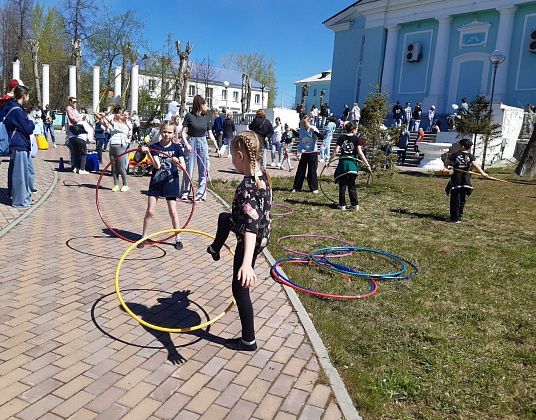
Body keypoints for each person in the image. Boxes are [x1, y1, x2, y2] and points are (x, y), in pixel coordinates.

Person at [206, 130, 272, 351]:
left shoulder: (246, 189)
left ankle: (248, 341)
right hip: (260, 232)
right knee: (224, 218)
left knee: (239, 289)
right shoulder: (262, 176)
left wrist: (246, 264)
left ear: (240, 156)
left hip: (250, 239)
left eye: (233, 156)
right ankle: (215, 248)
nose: (232, 161)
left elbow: (251, 228)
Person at [140, 121, 186, 250]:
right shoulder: (155, 147)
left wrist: (176, 162)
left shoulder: (177, 148)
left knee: (172, 211)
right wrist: (148, 153)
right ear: (160, 131)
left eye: (169, 132)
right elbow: (157, 166)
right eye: (164, 131)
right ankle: (144, 236)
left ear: (174, 133)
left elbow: (183, 167)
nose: (166, 134)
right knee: (150, 211)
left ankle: (178, 238)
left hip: (171, 182)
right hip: (156, 182)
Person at [1, 85, 35, 207]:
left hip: (19, 144)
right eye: (28, 95)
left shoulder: (13, 108)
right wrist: (31, 122)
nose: (28, 97)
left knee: (21, 172)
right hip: (19, 144)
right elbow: (28, 128)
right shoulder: (17, 111)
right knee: (20, 174)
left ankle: (22, 196)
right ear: (24, 96)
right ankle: (20, 201)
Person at [327, 121, 371, 211]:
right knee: (352, 185)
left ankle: (342, 205)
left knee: (342, 185)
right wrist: (367, 164)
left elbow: (336, 151)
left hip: (343, 165)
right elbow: (360, 152)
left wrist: (329, 161)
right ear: (353, 129)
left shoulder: (341, 138)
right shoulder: (356, 139)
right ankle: (355, 205)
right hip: (352, 164)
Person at [181, 95, 216, 202]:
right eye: (206, 104)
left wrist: (216, 146)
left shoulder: (207, 117)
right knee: (189, 168)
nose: (207, 107)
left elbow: (210, 133)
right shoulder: (189, 116)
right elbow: (183, 132)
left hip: (203, 142)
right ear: (200, 105)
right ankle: (185, 192)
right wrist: (186, 144)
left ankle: (201, 194)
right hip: (191, 142)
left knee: (203, 169)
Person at [445, 138, 489, 223]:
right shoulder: (470, 156)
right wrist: (483, 173)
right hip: (466, 181)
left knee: (455, 199)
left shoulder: (455, 155)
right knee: (462, 199)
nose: (458, 147)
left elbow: (446, 163)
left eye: (459, 145)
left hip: (456, 181)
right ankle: (458, 216)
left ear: (462, 146)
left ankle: (454, 218)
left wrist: (448, 168)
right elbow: (475, 164)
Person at [97, 105, 130, 192]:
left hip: (120, 145)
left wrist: (104, 116)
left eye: (121, 114)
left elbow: (113, 124)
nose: (118, 115)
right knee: (114, 166)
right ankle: (116, 184)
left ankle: (125, 184)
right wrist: (100, 118)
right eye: (118, 113)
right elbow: (106, 126)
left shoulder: (125, 125)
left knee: (121, 167)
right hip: (112, 145)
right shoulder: (114, 123)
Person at [292, 115, 320, 193]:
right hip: (304, 152)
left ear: (309, 122)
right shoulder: (301, 129)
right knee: (300, 170)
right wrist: (293, 130)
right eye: (302, 123)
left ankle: (314, 188)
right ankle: (297, 187)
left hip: (312, 152)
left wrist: (314, 131)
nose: (303, 124)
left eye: (305, 123)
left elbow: (321, 137)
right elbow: (298, 135)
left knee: (312, 171)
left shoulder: (313, 128)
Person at [65, 97, 89, 174]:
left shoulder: (75, 110)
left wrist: (81, 116)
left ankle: (76, 167)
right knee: (81, 152)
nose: (75, 103)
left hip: (76, 132)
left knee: (76, 152)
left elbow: (78, 116)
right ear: (70, 102)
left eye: (76, 102)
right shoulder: (69, 109)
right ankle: (81, 169)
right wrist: (81, 117)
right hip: (74, 132)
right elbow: (73, 119)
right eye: (74, 102)